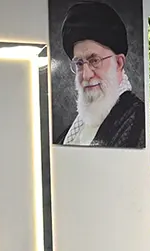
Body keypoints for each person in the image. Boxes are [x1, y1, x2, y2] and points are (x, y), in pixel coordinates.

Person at [56, 1, 145, 148]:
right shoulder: (72, 131)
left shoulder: (140, 121)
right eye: (79, 64)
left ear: (119, 63)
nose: (86, 75)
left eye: (94, 60)